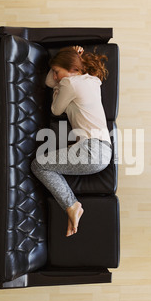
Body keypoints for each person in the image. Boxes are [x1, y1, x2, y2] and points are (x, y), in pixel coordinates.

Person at [31, 45, 112, 237]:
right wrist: (68, 59)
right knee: (42, 165)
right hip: (102, 151)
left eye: (57, 71)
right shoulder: (92, 80)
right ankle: (71, 206)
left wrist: (60, 84)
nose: (55, 76)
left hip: (92, 151)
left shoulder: (70, 84)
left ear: (72, 68)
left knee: (39, 166)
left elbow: (55, 110)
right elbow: (52, 82)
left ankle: (72, 205)